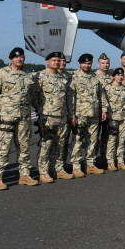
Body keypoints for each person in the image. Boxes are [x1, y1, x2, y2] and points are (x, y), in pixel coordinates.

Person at [0, 46, 39, 189]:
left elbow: (32, 94)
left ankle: (24, 175)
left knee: (24, 147)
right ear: (11, 59)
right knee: (3, 148)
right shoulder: (1, 73)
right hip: (6, 117)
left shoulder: (28, 75)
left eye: (21, 57)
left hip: (24, 117)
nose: (19, 59)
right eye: (16, 57)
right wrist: (2, 109)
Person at [33, 51, 74, 182]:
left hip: (62, 116)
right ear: (47, 62)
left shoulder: (63, 78)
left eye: (58, 60)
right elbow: (34, 96)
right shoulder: (40, 76)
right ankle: (43, 172)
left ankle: (58, 169)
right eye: (53, 60)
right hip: (48, 117)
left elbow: (67, 99)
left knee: (60, 145)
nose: (56, 62)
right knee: (46, 145)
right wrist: (41, 110)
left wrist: (70, 115)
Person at [69, 53, 109, 176]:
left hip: (94, 114)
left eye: (89, 63)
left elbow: (101, 94)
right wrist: (72, 115)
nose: (87, 65)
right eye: (85, 63)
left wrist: (103, 110)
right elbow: (71, 98)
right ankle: (76, 166)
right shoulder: (74, 77)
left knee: (93, 140)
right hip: (80, 114)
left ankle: (90, 164)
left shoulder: (94, 77)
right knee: (77, 140)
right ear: (80, 63)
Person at [104, 68, 125, 171]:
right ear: (114, 76)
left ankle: (120, 161)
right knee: (112, 140)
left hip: (124, 118)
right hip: (113, 118)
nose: (120, 77)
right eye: (118, 75)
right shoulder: (108, 88)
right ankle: (110, 162)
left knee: (122, 140)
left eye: (121, 75)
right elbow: (104, 102)